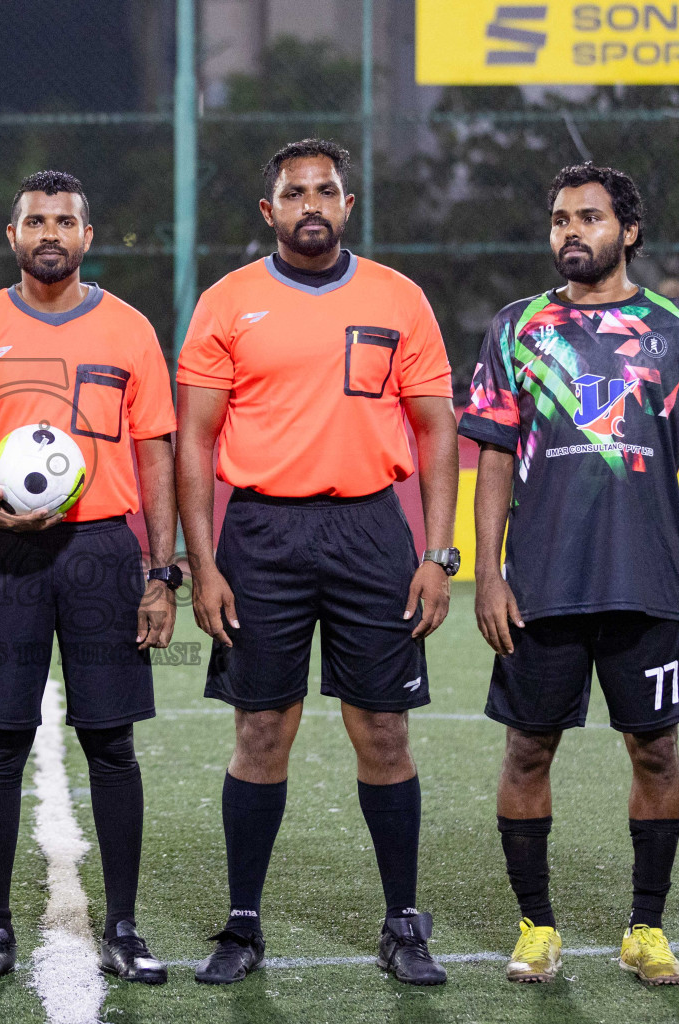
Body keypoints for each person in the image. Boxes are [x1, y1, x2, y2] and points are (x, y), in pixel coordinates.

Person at [176, 139, 459, 987]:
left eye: (326, 191)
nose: (311, 204)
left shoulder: (398, 297)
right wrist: (204, 560)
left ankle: (403, 923)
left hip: (373, 532)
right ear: (269, 212)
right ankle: (243, 924)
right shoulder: (228, 303)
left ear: (347, 204)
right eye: (294, 192)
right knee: (261, 731)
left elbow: (438, 427)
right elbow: (192, 439)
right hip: (259, 536)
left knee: (384, 730)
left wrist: (439, 554)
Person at [460, 163, 679, 986]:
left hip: (647, 581)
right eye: (558, 219)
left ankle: (645, 929)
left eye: (588, 216)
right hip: (541, 584)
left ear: (630, 230)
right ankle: (537, 926)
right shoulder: (517, 329)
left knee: (655, 751)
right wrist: (488, 573)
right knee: (527, 750)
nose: (569, 232)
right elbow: (496, 458)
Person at [0, 170, 178, 987]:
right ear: (13, 235)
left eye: (65, 220)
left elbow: (157, 455)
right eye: (35, 219)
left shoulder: (130, 331)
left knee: (111, 744)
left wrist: (163, 571)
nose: (50, 233)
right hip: (3, 552)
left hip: (101, 550)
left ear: (87, 236)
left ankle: (127, 928)